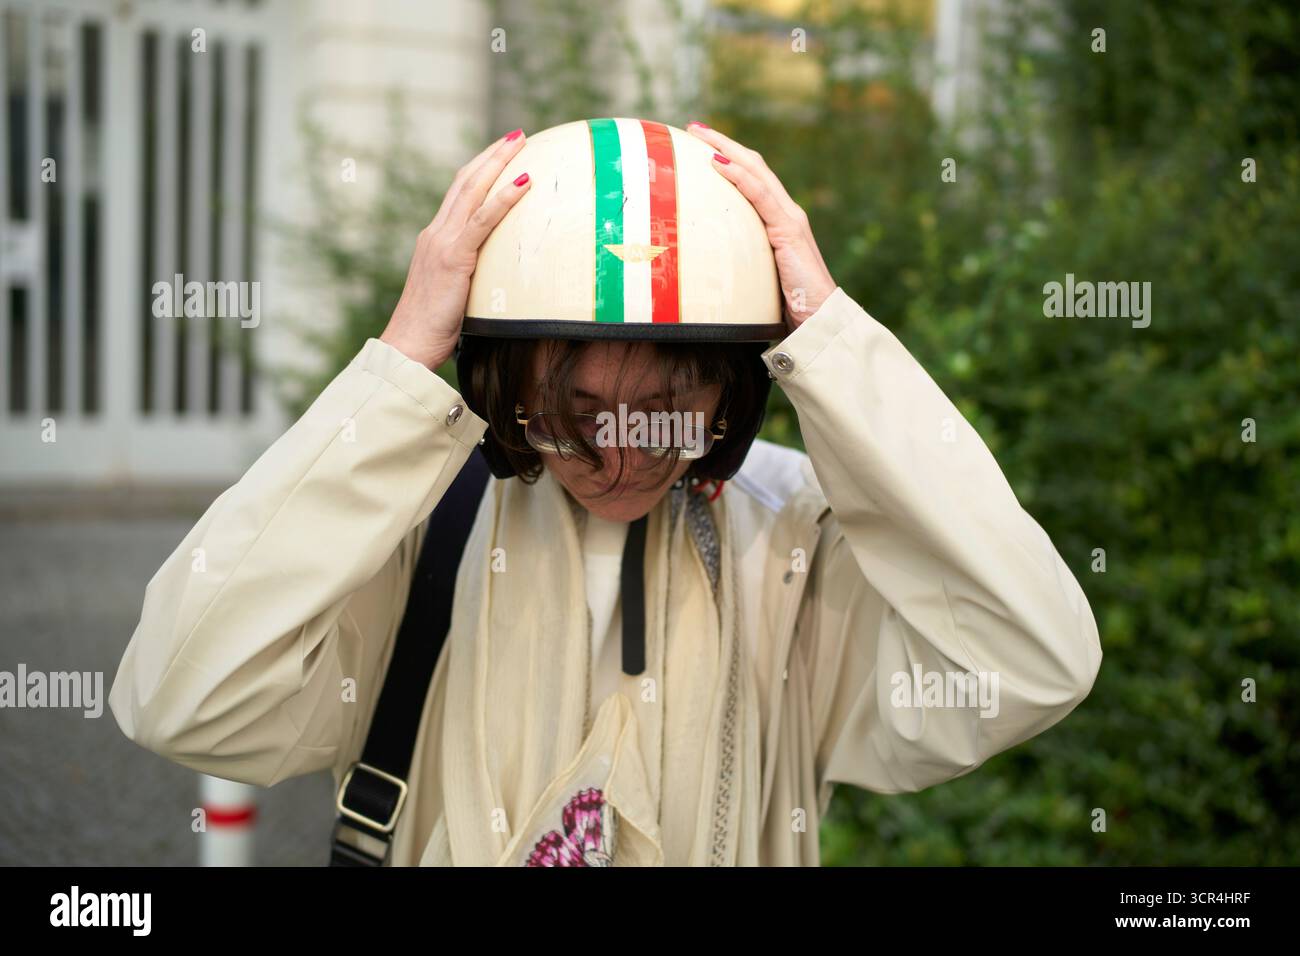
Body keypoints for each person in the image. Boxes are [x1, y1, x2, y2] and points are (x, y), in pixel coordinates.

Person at [109, 119, 1102, 867]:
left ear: (733, 388)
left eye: (669, 408)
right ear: (502, 386)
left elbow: (1030, 660)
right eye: (571, 408)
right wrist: (404, 359)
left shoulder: (795, 540)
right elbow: (182, 693)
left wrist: (832, 342)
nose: (620, 454)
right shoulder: (407, 532)